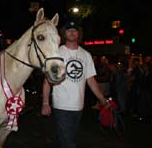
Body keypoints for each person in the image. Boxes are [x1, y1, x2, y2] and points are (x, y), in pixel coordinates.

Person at [41, 19, 109, 148]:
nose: (72, 32)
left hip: (78, 106)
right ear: (64, 33)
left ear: (79, 34)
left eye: (75, 30)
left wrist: (102, 99)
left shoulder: (86, 55)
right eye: (68, 30)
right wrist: (45, 103)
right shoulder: (56, 53)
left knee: (66, 138)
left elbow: (91, 80)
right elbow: (47, 80)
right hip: (61, 105)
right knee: (69, 143)